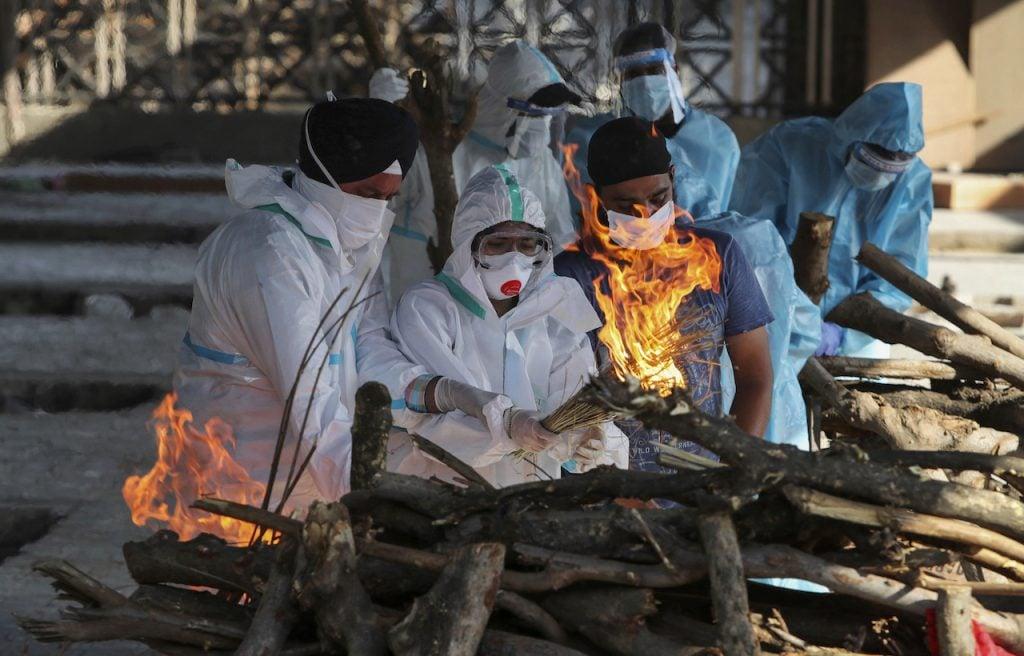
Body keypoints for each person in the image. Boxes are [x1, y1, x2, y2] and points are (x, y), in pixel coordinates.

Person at [174, 97, 430, 511]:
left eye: (387, 198)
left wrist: (429, 392)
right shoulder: (269, 252)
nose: (375, 211)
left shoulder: (348, 246)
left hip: (313, 478)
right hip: (244, 482)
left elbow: (369, 339)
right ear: (325, 174)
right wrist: (368, 493)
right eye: (366, 193)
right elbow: (307, 393)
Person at [386, 165, 628, 487]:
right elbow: (430, 422)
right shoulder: (430, 308)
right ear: (468, 244)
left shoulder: (554, 316)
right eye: (497, 245)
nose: (514, 259)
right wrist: (508, 425)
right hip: (443, 491)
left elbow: (574, 400)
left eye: (527, 245)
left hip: (532, 496)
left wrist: (590, 439)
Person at [555, 117, 773, 470]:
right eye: (625, 206)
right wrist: (618, 491)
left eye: (658, 198)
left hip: (699, 482)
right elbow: (555, 396)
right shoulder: (570, 275)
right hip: (603, 490)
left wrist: (733, 470)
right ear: (596, 199)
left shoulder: (718, 257)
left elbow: (755, 379)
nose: (645, 215)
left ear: (673, 178)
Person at [730, 82, 933, 358]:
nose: (886, 167)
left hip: (859, 334)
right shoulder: (790, 146)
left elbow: (901, 276)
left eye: (898, 160)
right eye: (875, 157)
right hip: (776, 317)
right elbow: (751, 240)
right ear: (854, 135)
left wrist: (844, 335)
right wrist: (792, 314)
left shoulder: (912, 182)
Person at [566, 22, 740, 220]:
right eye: (633, 74)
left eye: (654, 70)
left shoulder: (718, 139)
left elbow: (730, 215)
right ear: (619, 81)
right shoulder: (589, 139)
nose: (645, 83)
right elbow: (581, 215)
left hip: (702, 248)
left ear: (675, 70)